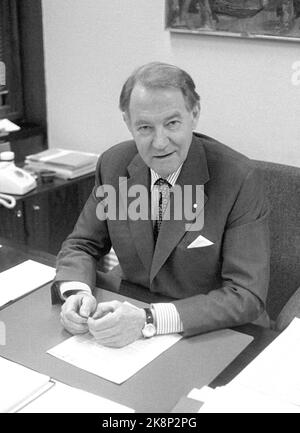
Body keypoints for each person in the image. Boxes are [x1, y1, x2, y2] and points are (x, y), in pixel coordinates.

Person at [52, 62, 270, 348]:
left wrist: (150, 319)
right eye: (144, 127)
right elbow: (82, 245)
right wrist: (75, 293)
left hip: (215, 333)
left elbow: (246, 295)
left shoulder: (238, 179)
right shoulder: (114, 165)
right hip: (128, 319)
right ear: (128, 123)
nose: (159, 142)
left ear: (194, 114)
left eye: (172, 123)